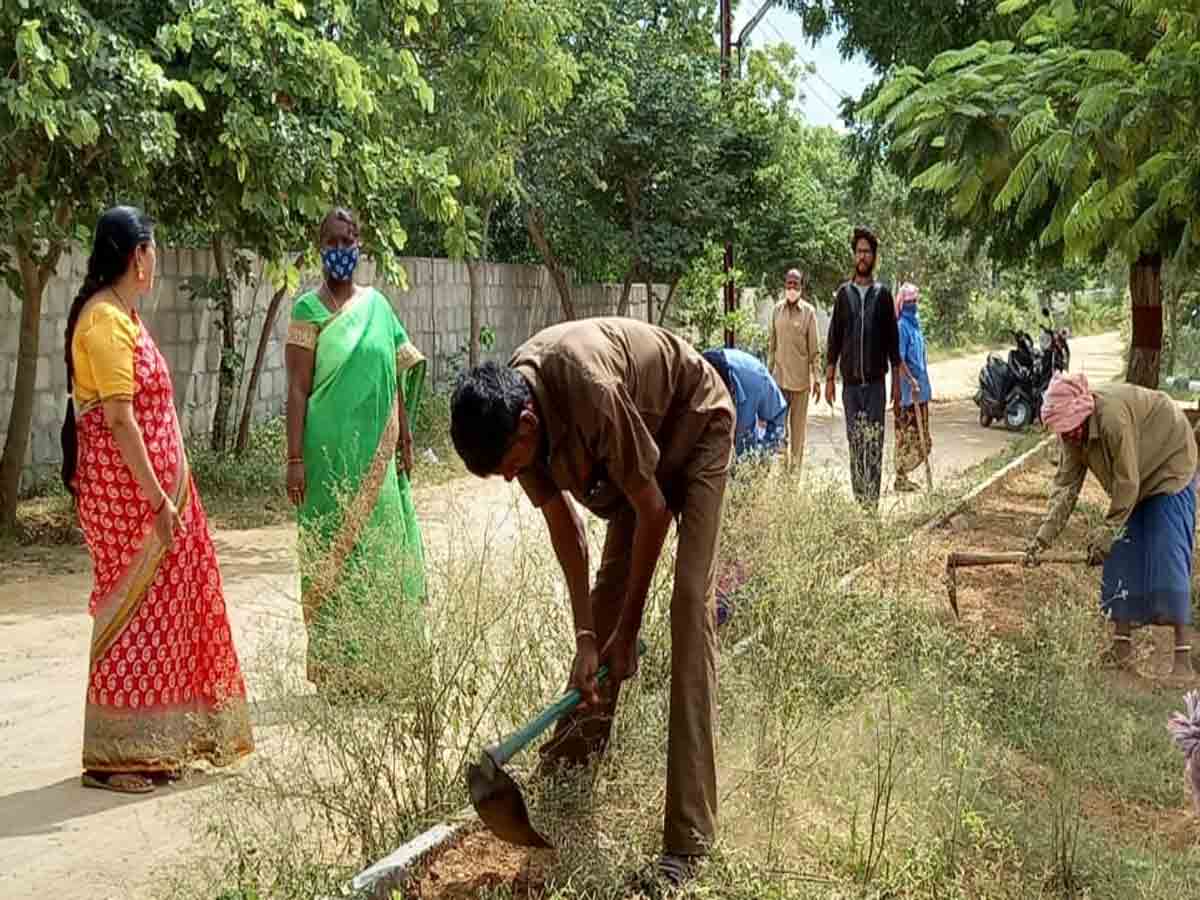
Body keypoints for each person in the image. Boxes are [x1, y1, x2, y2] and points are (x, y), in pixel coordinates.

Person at [449, 318, 733, 889]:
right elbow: (568, 531)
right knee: (602, 621)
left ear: (528, 425)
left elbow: (655, 513)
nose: (511, 479)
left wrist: (627, 637)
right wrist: (589, 638)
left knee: (687, 607)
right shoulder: (513, 415)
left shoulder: (588, 388)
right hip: (634, 467)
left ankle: (688, 842)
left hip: (695, 431)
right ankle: (564, 793)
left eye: (509, 465)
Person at [62, 206, 253, 793]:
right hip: (127, 499)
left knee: (165, 612)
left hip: (153, 495)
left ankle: (153, 744)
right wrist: (158, 502)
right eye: (154, 248)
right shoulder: (103, 323)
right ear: (135, 254)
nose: (158, 259)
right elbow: (120, 421)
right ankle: (113, 756)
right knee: (130, 613)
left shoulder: (125, 316)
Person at [285, 209, 427, 687]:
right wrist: (294, 460)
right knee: (332, 555)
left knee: (381, 549)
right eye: (332, 240)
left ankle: (386, 664)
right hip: (325, 460)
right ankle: (340, 670)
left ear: (359, 246)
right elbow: (297, 390)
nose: (340, 248)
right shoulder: (306, 311)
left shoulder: (379, 308)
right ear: (319, 245)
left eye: (348, 240)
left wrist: (405, 435)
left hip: (378, 456)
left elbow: (395, 375)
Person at [1025, 373, 1198, 674]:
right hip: (1136, 474)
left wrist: (1107, 532)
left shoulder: (1112, 419)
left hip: (1169, 459)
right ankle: (1121, 648)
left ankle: (1182, 658)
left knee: (1167, 552)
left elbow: (1127, 482)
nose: (1067, 436)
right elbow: (1065, 488)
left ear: (1083, 414)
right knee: (1120, 553)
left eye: (1070, 429)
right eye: (1062, 432)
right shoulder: (1072, 436)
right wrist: (1042, 539)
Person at [825, 227, 917, 508]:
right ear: (854, 256)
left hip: (876, 386)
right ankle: (860, 501)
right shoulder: (844, 294)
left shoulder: (883, 295)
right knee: (856, 445)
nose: (863, 256)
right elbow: (834, 337)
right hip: (851, 387)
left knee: (874, 445)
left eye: (867, 251)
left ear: (874, 257)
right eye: (859, 251)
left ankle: (871, 507)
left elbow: (892, 342)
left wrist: (899, 389)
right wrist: (829, 377)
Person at [768, 269, 822, 469]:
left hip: (800, 385)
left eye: (795, 284)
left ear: (801, 287)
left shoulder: (809, 313)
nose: (791, 288)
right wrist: (767, 376)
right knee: (780, 435)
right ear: (785, 285)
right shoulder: (776, 311)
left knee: (798, 438)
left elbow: (815, 351)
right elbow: (772, 347)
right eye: (788, 284)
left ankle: (793, 483)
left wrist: (816, 379)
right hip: (779, 383)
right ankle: (783, 478)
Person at [702, 347, 788, 458]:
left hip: (744, 446)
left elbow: (778, 414)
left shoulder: (756, 379)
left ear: (731, 389)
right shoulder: (694, 380)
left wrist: (762, 454)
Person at [892, 282, 933, 492]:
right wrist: (911, 379)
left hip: (921, 391)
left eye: (915, 301)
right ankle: (900, 476)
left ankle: (902, 474)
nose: (913, 305)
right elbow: (899, 359)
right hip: (908, 394)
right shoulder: (901, 327)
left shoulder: (916, 325)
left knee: (925, 441)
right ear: (902, 303)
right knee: (907, 439)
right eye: (909, 302)